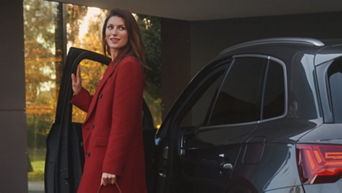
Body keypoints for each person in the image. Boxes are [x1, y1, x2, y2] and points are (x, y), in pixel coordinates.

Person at [70, 9, 147, 193]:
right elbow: (104, 111)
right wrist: (79, 93)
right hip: (100, 159)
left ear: (130, 34)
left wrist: (111, 166)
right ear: (104, 33)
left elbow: (123, 122)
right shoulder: (115, 65)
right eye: (110, 27)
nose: (114, 32)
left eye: (121, 28)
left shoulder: (128, 66)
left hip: (109, 165)